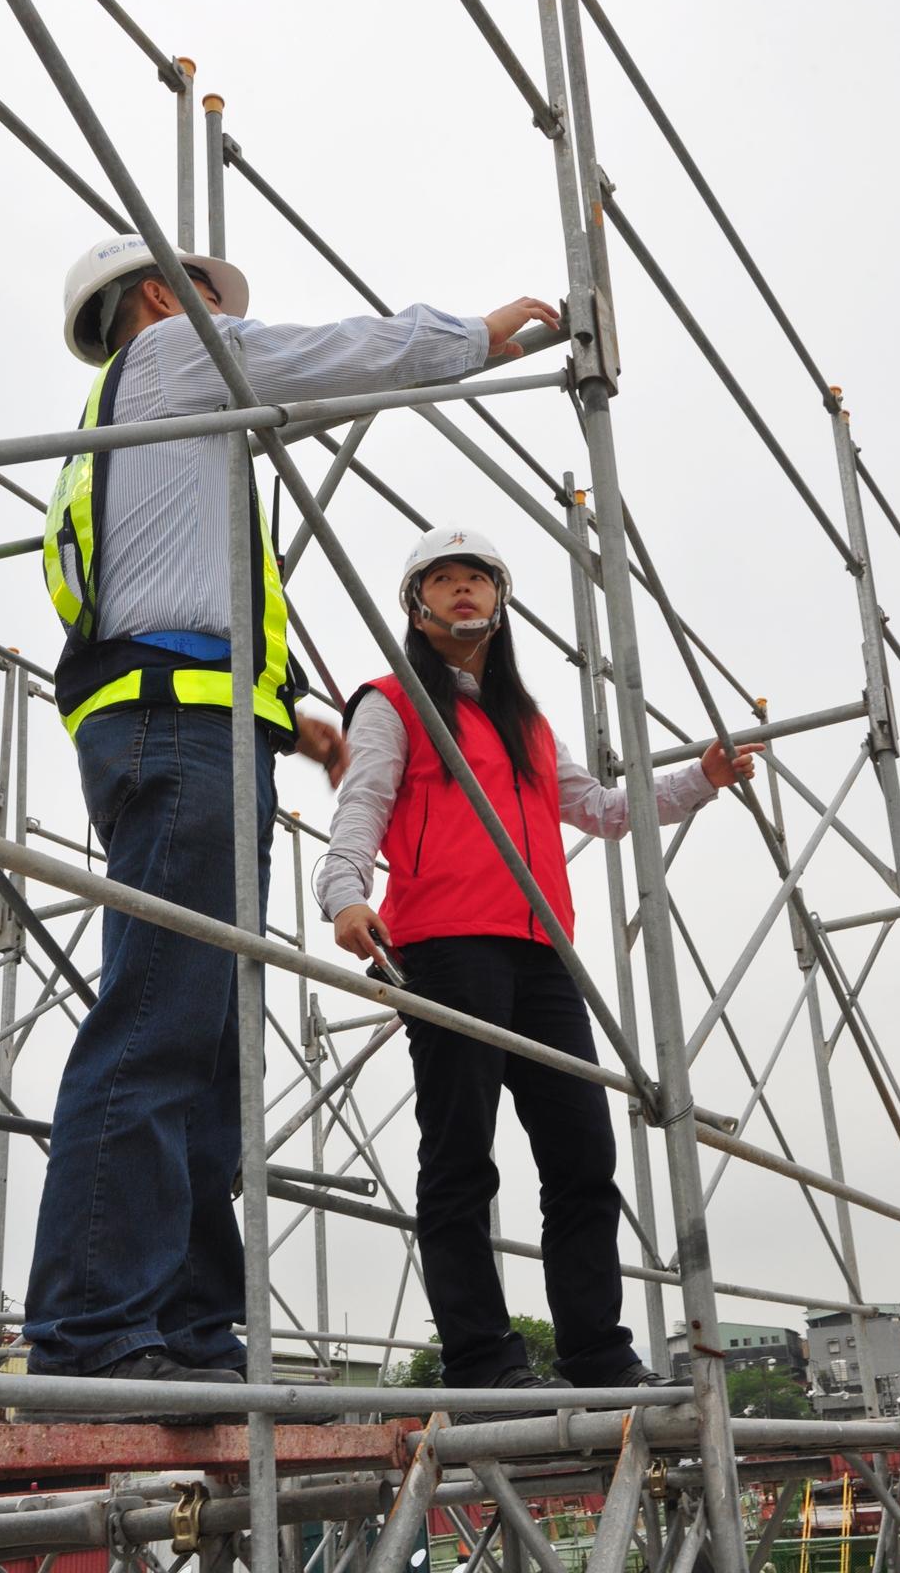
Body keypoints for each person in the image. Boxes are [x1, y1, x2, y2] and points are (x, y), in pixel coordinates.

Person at [24, 234, 560, 1419]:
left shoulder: (151, 426)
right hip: (178, 727)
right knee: (163, 1022)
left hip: (198, 722)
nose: (232, 325)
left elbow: (178, 599)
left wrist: (302, 723)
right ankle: (92, 1331)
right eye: (217, 303)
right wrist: (475, 336)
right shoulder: (172, 356)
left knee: (205, 1041)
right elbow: (332, 355)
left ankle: (187, 1329)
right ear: (161, 298)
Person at [314, 526, 764, 1407]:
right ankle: (481, 1355)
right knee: (460, 1157)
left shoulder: (525, 718)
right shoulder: (390, 701)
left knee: (581, 1158)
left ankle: (597, 1354)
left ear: (499, 598)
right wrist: (343, 897)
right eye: (441, 581)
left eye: (475, 578)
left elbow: (597, 810)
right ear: (416, 605)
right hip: (444, 945)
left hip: (541, 953)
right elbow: (360, 802)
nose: (461, 592)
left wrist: (698, 779)